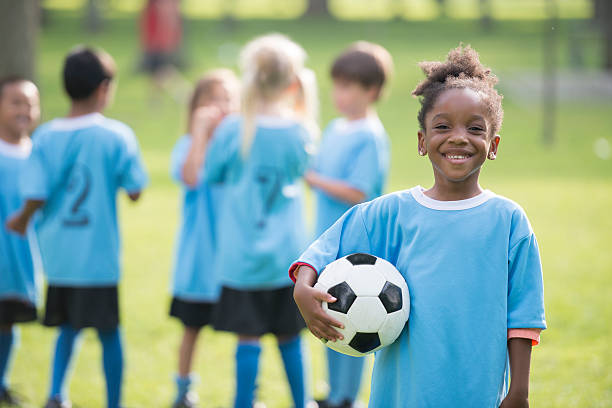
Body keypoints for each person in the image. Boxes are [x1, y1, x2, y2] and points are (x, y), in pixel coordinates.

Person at [291, 45, 546, 407]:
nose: (458, 137)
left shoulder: (508, 222)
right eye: (443, 126)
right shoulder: (388, 214)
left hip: (477, 395)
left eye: (475, 128)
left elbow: (524, 314)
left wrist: (518, 391)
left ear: (493, 145)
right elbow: (322, 251)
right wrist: (303, 288)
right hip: (401, 397)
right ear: (422, 141)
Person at [6, 47, 148, 408]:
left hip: (60, 258)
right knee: (108, 332)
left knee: (67, 327)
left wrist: (21, 220)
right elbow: (134, 190)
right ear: (104, 89)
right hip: (98, 259)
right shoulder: (117, 135)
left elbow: (35, 194)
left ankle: (56, 394)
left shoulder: (46, 137)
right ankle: (113, 401)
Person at [203, 34, 316, 408]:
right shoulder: (300, 130)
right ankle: (303, 402)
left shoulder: (233, 129)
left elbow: (213, 172)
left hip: (241, 255)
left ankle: (242, 402)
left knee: (247, 338)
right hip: (287, 256)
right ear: (291, 82)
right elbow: (304, 168)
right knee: (290, 336)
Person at [304, 42, 392, 408]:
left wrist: (314, 179)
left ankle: (347, 397)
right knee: (327, 320)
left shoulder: (370, 135)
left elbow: (359, 191)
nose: (338, 94)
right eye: (336, 85)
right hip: (326, 240)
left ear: (370, 91)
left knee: (354, 319)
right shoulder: (337, 128)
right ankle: (333, 391)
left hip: (355, 249)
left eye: (347, 87)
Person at [168, 69, 240, 408]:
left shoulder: (240, 146)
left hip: (234, 259)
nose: (221, 106)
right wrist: (199, 135)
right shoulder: (187, 145)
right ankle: (183, 391)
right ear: (196, 106)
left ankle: (247, 392)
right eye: (212, 99)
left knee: (246, 329)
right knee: (191, 328)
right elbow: (191, 176)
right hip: (199, 259)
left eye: (228, 99)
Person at [0, 76, 41, 407]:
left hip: (20, 260)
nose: (25, 109)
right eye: (16, 102)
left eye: (31, 103)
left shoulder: (38, 154)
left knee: (8, 322)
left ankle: (1, 382)